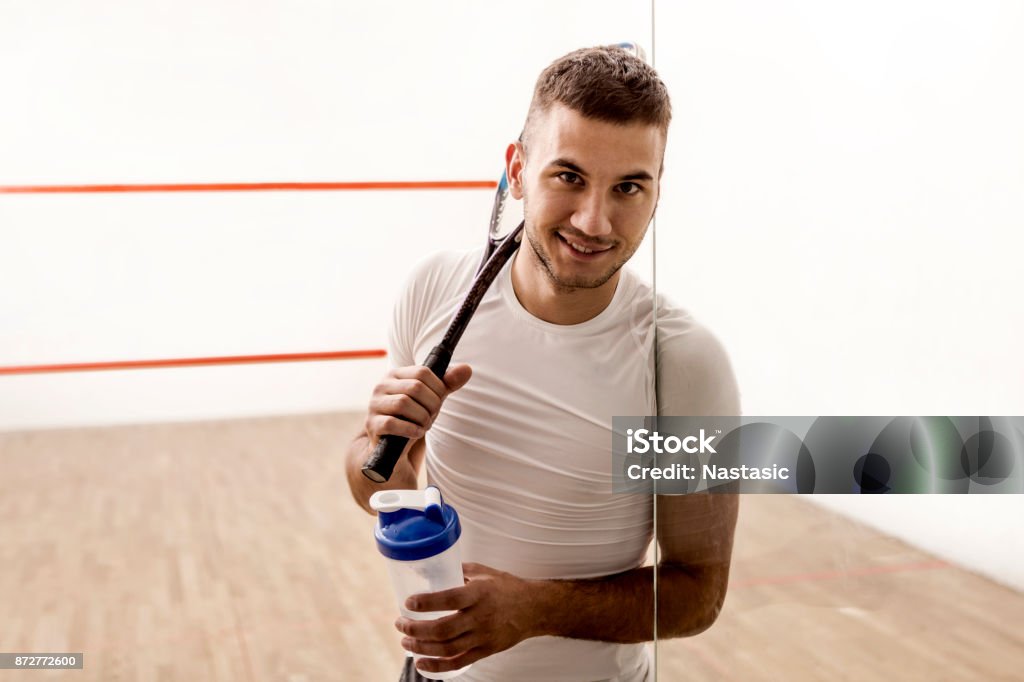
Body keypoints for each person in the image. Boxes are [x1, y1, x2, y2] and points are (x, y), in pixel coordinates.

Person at [346, 44, 740, 682]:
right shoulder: (433, 293)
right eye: (569, 176)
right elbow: (380, 490)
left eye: (629, 187)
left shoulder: (685, 364)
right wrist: (376, 439)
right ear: (518, 169)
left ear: (658, 192)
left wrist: (533, 609)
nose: (595, 220)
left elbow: (699, 593)